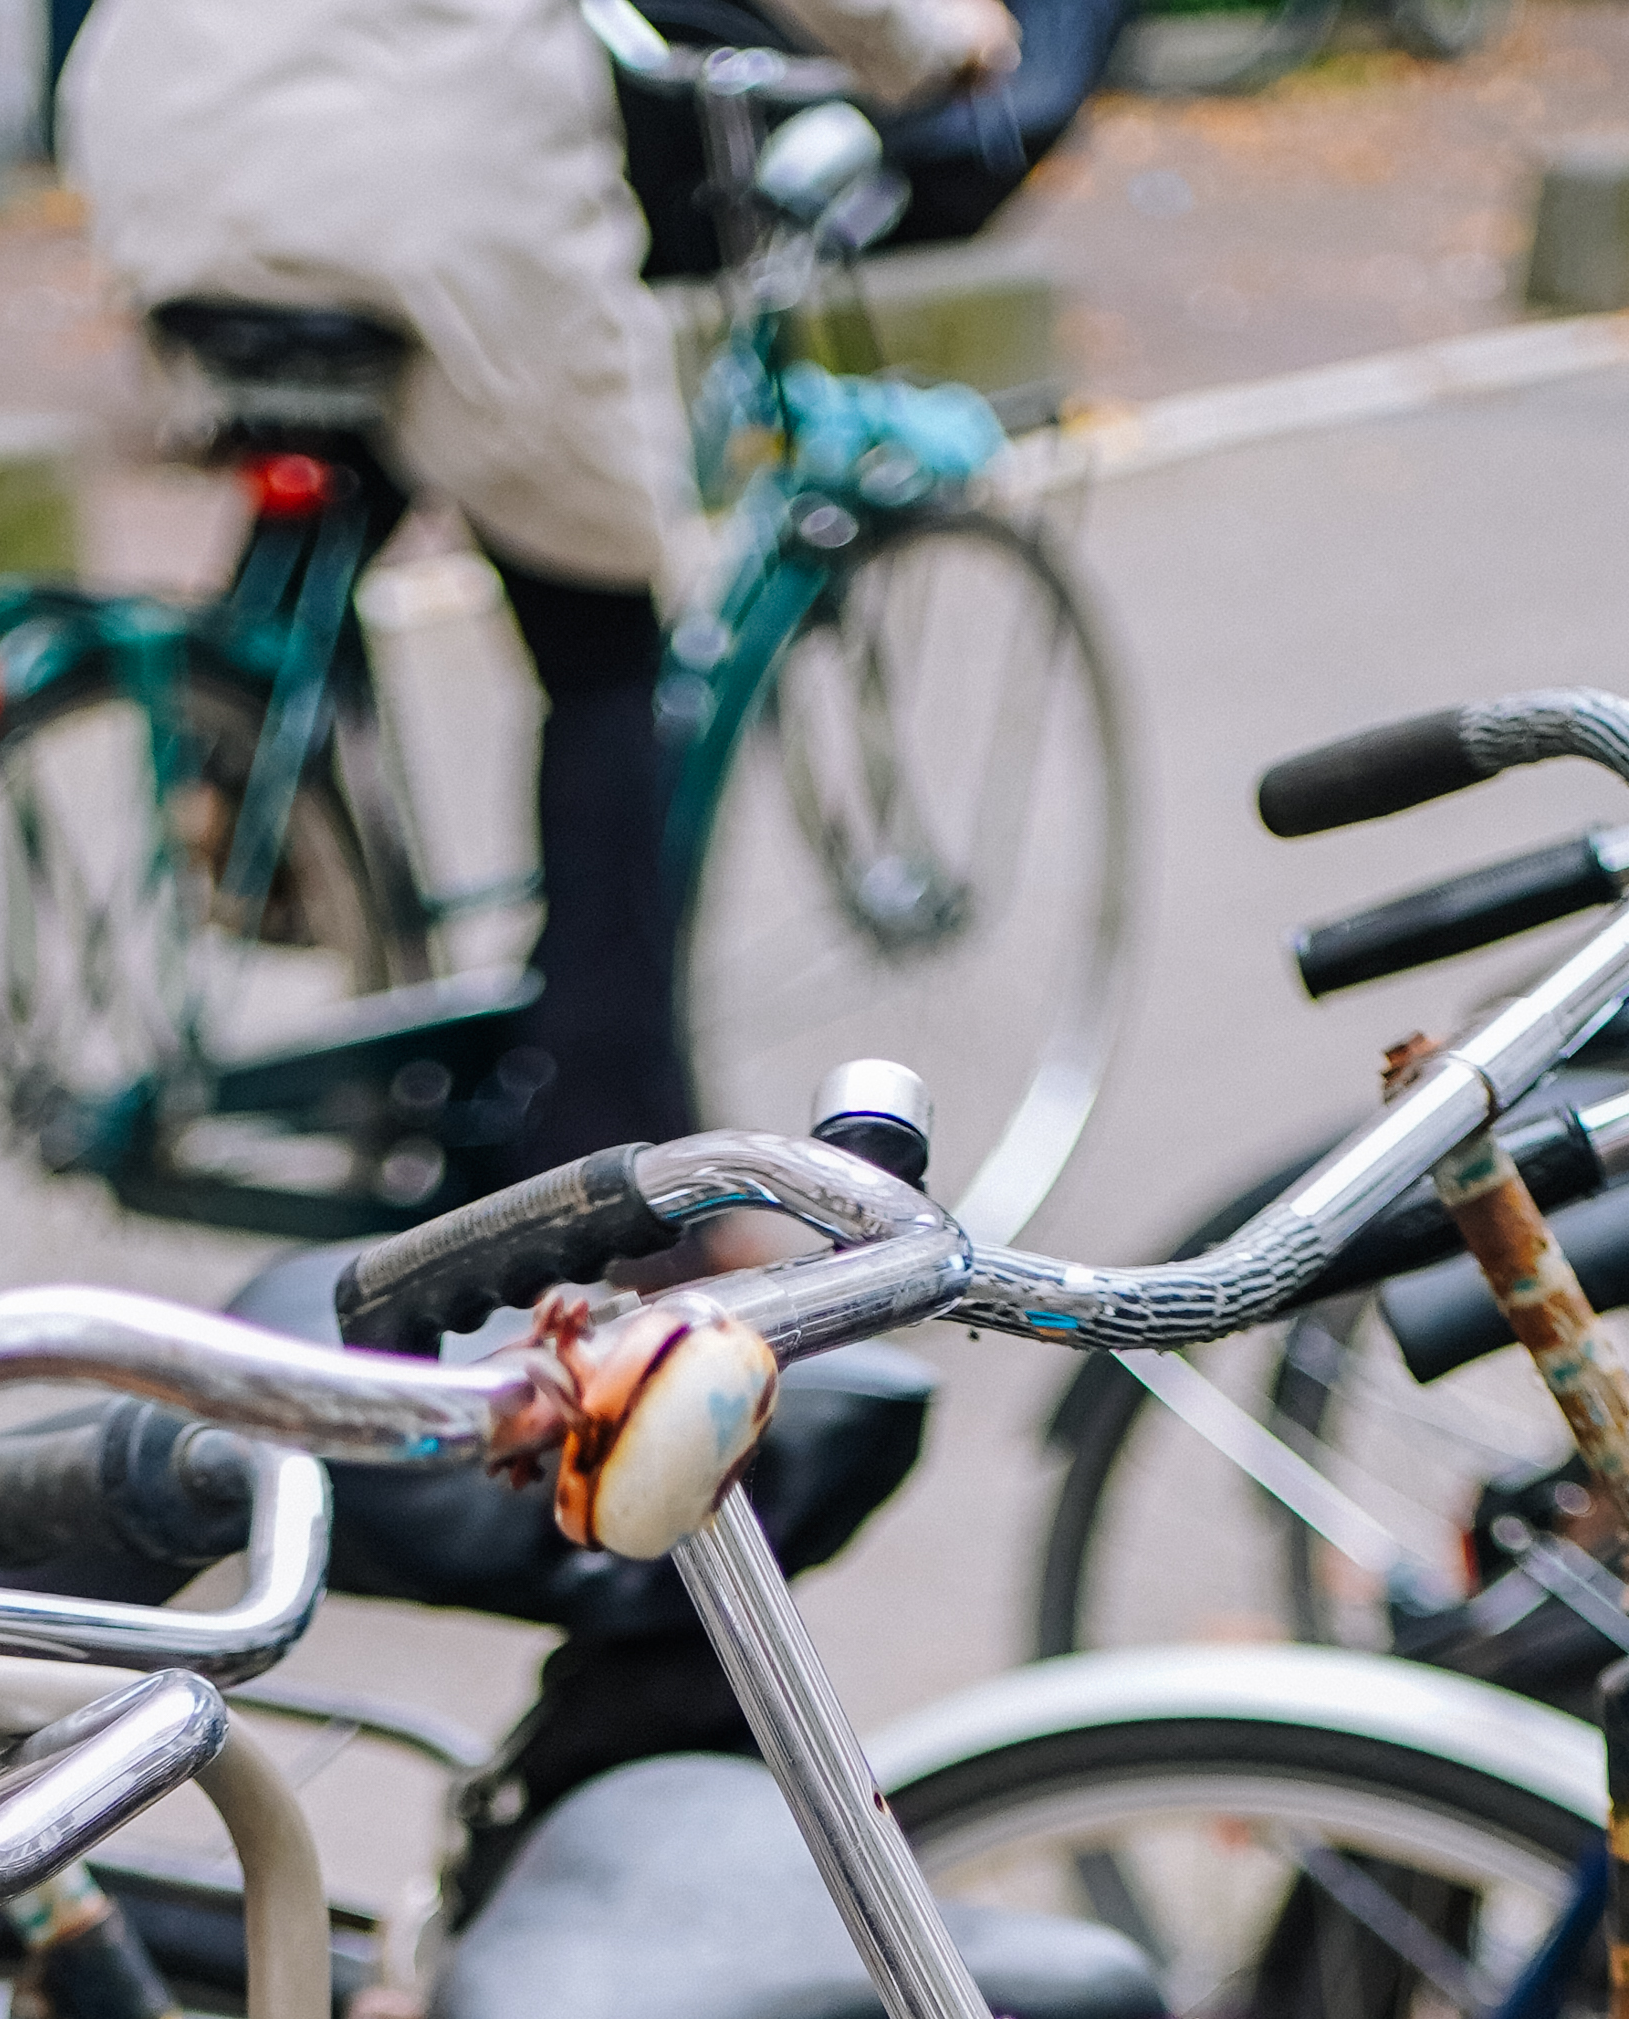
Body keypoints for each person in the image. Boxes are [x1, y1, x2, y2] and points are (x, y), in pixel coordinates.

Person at [63, 0, 1018, 1164]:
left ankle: (248, 731)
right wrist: (933, 40)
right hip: (413, 179)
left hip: (163, 154)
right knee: (606, 640)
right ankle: (616, 1140)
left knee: (364, 437)